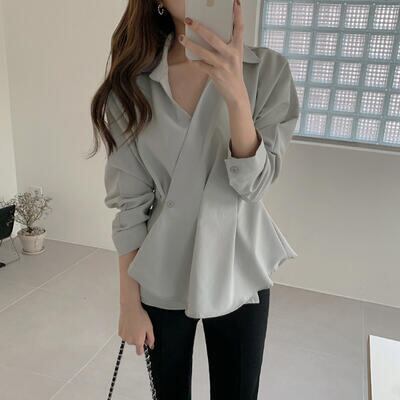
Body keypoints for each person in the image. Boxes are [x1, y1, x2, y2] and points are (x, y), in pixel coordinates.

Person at [90, 0, 299, 398]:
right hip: (162, 268)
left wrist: (236, 95)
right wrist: (129, 304)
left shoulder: (269, 71)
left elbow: (253, 187)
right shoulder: (131, 86)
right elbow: (130, 204)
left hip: (239, 266)